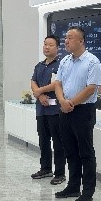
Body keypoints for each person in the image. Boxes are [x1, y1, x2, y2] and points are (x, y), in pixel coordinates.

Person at [54, 27, 101, 201]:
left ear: (81, 41)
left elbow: (91, 88)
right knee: (70, 150)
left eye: (70, 38)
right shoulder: (65, 60)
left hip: (83, 111)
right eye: (65, 38)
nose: (66, 41)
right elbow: (58, 83)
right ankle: (73, 186)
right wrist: (62, 101)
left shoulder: (92, 61)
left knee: (85, 152)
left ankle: (88, 191)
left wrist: (71, 103)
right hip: (65, 110)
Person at [30, 35, 66, 185]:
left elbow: (57, 83)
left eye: (50, 45)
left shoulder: (61, 65)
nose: (47, 47)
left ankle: (60, 173)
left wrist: (40, 91)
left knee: (58, 142)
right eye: (45, 44)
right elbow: (33, 81)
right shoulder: (39, 65)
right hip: (41, 109)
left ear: (57, 48)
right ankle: (45, 168)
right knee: (43, 140)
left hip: (55, 110)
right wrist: (39, 96)